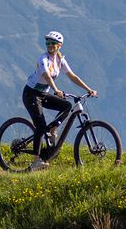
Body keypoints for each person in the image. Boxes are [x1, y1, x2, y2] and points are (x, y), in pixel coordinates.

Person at [22, 30, 95, 170]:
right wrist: (56, 90)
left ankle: (53, 130)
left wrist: (88, 89)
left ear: (59, 45)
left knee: (66, 106)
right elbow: (47, 76)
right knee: (40, 126)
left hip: (43, 94)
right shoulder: (43, 59)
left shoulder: (60, 60)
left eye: (53, 43)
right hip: (31, 94)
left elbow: (73, 76)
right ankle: (36, 161)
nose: (49, 45)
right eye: (47, 42)